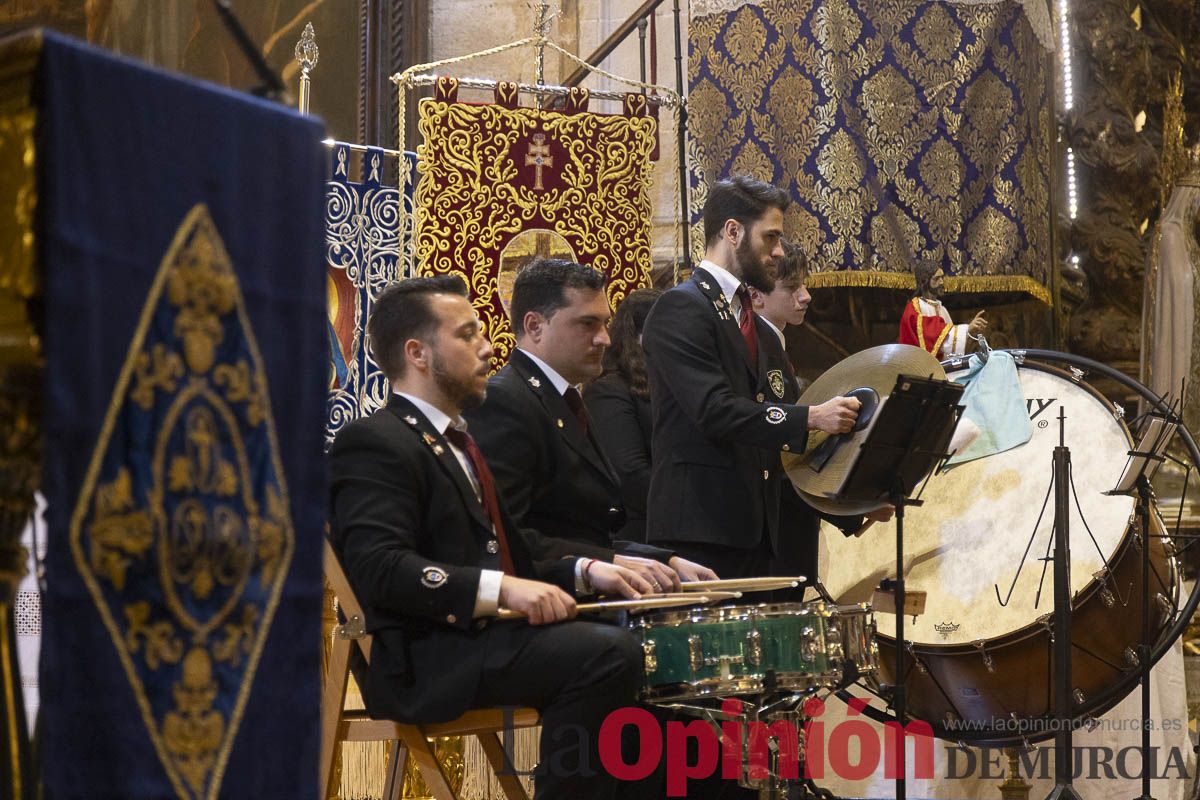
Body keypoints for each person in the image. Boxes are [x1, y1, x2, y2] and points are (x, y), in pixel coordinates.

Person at [328, 276, 651, 800]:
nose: (486, 347)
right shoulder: (375, 441)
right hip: (426, 654)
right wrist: (501, 590)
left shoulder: (456, 441)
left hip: (477, 638)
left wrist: (587, 570)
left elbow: (513, 545)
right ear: (418, 353)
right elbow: (379, 568)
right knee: (607, 655)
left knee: (636, 634)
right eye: (467, 335)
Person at [641, 175, 864, 580]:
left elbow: (779, 447)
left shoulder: (761, 331)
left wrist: (851, 504)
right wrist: (811, 417)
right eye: (770, 237)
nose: (778, 252)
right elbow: (714, 410)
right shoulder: (681, 308)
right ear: (732, 232)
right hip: (702, 535)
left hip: (764, 536)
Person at [466, 259, 717, 588]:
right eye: (588, 324)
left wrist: (662, 559)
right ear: (534, 326)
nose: (605, 339)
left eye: (604, 323)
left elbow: (588, 532)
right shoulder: (505, 402)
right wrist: (604, 565)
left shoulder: (564, 398)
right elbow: (503, 539)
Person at [749, 242, 889, 591]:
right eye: (792, 288)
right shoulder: (759, 352)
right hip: (778, 535)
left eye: (804, 284)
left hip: (788, 529)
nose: (806, 296)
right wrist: (851, 509)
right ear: (756, 297)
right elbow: (784, 464)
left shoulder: (774, 346)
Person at [583, 287, 661, 544]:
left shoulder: (665, 382)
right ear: (641, 334)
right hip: (642, 532)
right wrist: (682, 509)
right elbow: (630, 472)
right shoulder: (609, 389)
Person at [898, 261, 987, 358]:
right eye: (936, 278)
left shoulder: (942, 309)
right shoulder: (915, 308)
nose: (941, 282)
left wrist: (968, 333)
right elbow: (931, 334)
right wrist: (967, 329)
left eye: (942, 277)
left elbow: (949, 344)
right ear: (924, 281)